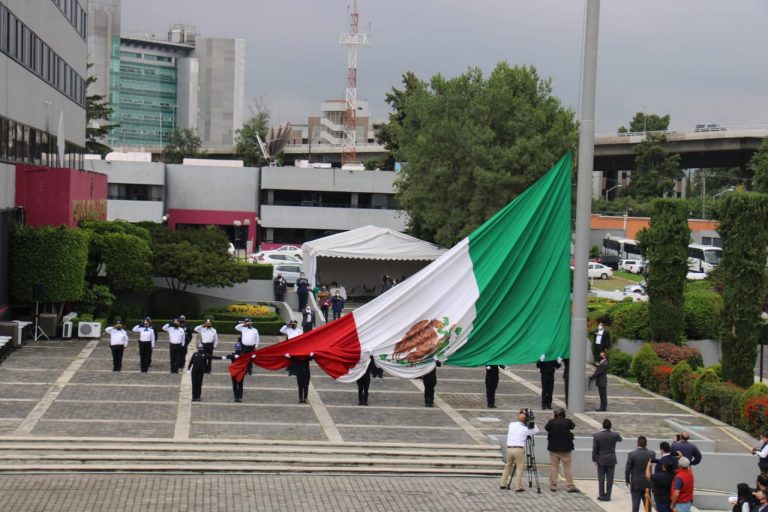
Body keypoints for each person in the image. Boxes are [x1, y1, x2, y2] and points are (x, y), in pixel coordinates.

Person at [500, 411, 539, 492]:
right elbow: (536, 430)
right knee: (519, 467)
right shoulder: (525, 429)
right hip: (519, 449)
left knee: (508, 466)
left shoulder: (511, 425)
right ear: (525, 420)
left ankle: (503, 483)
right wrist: (532, 422)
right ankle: (518, 486)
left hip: (509, 448)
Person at [545, 407, 579, 493]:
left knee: (554, 467)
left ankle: (553, 485)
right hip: (566, 448)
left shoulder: (552, 422)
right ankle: (570, 485)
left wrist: (552, 419)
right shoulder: (568, 421)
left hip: (554, 448)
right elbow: (573, 426)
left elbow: (547, 428)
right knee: (567, 467)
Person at [592, 418, 623, 502]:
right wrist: (612, 430)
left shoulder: (597, 435)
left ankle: (602, 495)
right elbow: (620, 439)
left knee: (601, 478)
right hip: (611, 459)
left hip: (601, 459)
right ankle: (608, 496)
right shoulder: (614, 435)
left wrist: (594, 459)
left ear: (602, 426)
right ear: (610, 426)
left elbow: (595, 449)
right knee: (610, 479)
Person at [625, 436, 655, 512]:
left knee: (635, 504)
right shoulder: (652, 454)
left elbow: (627, 468)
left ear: (637, 443)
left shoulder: (632, 454)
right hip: (647, 482)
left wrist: (627, 480)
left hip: (636, 483)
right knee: (647, 504)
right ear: (646, 444)